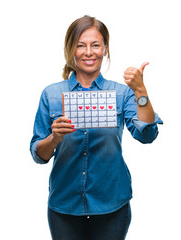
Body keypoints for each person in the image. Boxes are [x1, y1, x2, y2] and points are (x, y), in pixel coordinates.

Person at [30, 15, 162, 240]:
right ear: (71, 49)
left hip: (112, 203)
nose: (88, 52)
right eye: (80, 45)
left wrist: (141, 93)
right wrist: (54, 138)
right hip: (64, 204)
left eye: (95, 45)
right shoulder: (51, 94)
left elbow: (147, 134)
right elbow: (38, 155)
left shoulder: (121, 93)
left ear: (105, 49)